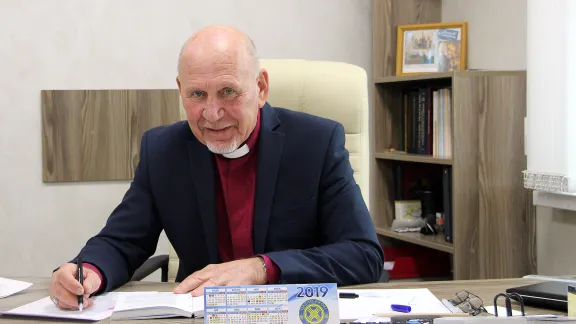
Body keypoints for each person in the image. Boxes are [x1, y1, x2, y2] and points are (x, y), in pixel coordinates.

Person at [48, 25, 384, 310]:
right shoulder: (163, 150)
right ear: (181, 91)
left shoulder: (317, 142)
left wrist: (261, 269)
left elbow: (362, 254)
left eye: (228, 92)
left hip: (294, 310)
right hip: (200, 311)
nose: (212, 113)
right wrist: (88, 271)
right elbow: (122, 241)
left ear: (261, 88)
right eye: (197, 94)